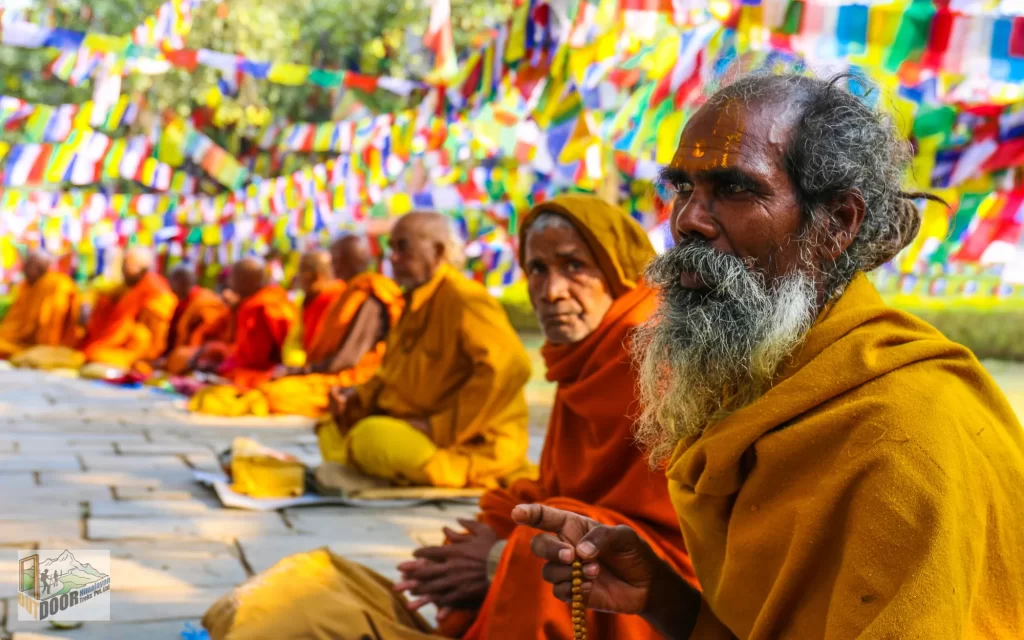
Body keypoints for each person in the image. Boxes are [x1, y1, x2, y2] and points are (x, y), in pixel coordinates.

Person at [519, 72, 1024, 639]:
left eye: (734, 189)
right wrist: (665, 600)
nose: (687, 221)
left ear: (836, 223)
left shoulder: (906, 430)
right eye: (682, 188)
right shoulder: (754, 383)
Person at [394, 194, 698, 639]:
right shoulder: (583, 358)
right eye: (537, 269)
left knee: (539, 550)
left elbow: (677, 537)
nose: (550, 291)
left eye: (574, 266)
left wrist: (499, 557)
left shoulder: (658, 355)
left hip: (667, 590)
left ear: (619, 272)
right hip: (596, 545)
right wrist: (488, 536)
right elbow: (561, 487)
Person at [320, 212, 531, 488]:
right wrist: (356, 396)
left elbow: (510, 367)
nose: (392, 258)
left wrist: (438, 427)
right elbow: (393, 376)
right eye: (391, 248)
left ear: (438, 251)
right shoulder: (411, 303)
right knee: (330, 430)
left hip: (469, 442)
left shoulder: (463, 298)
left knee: (369, 438)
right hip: (409, 426)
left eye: (402, 247)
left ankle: (458, 471)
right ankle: (390, 464)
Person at [256, 236, 404, 418]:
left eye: (336, 259)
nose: (333, 266)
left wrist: (300, 371)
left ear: (346, 261)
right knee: (269, 389)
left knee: (276, 395)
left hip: (354, 379)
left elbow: (348, 358)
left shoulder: (369, 296)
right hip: (330, 370)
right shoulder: (347, 293)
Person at [191, 257, 297, 392]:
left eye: (233, 278)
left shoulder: (264, 305)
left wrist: (225, 364)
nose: (230, 283)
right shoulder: (246, 303)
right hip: (244, 363)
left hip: (264, 371)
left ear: (245, 281)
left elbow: (257, 358)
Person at [80, 247, 177, 372]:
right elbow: (101, 292)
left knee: (97, 354)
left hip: (138, 350)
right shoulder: (131, 286)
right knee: (92, 351)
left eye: (128, 266)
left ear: (143, 268)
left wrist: (146, 357)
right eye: (123, 265)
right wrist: (86, 304)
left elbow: (156, 336)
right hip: (118, 342)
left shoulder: (157, 292)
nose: (123, 270)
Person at [0, 250, 79, 358]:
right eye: (27, 265)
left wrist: (46, 347)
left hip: (43, 343)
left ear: (44, 266)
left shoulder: (54, 283)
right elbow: (14, 320)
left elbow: (49, 320)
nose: (26, 269)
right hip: (17, 338)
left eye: (32, 265)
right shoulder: (26, 286)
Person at [159, 264, 231, 375]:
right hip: (184, 353)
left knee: (180, 356)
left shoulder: (205, 301)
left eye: (171, 282)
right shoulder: (181, 301)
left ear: (181, 282)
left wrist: (193, 356)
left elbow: (204, 333)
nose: (170, 288)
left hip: (201, 354)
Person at [288, 249, 347, 367]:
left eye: (301, 273)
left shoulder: (335, 298)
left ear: (316, 277)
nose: (297, 278)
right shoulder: (310, 300)